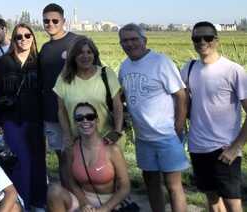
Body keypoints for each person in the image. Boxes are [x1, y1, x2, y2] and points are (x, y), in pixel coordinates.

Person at [118, 23, 188, 212]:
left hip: (166, 136)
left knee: (173, 185)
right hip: (143, 138)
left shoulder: (161, 62)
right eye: (125, 40)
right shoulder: (124, 67)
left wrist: (178, 128)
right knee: (151, 183)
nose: (130, 44)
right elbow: (123, 95)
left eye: (134, 39)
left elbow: (181, 95)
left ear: (144, 40)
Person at [182, 21, 247, 212]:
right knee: (212, 200)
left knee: (232, 202)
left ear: (216, 40)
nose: (202, 42)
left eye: (207, 38)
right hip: (197, 147)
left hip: (224, 149)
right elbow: (184, 103)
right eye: (196, 38)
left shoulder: (233, 70)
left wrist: (236, 147)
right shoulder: (189, 68)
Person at [0, 23, 47, 210]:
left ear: (33, 37)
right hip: (11, 120)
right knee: (17, 162)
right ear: (13, 40)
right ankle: (20, 203)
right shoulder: (4, 62)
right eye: (18, 37)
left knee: (37, 161)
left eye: (27, 35)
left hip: (35, 120)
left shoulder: (39, 62)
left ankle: (39, 202)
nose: (23, 40)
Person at [46, 102, 132, 212]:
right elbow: (70, 182)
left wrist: (103, 210)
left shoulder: (112, 149)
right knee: (54, 191)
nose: (85, 121)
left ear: (97, 120)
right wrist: (84, 204)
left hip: (109, 202)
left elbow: (125, 187)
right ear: (75, 122)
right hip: (83, 200)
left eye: (90, 117)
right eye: (79, 118)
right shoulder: (71, 150)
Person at [54, 36, 124, 148]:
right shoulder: (64, 78)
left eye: (89, 52)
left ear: (94, 55)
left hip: (107, 140)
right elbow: (61, 110)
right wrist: (67, 135)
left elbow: (117, 105)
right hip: (77, 142)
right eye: (80, 53)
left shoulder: (106, 74)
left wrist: (117, 132)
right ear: (73, 56)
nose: (85, 56)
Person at [39, 3, 79, 180]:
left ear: (64, 21)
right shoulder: (45, 49)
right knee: (62, 157)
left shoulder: (76, 42)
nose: (51, 24)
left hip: (75, 111)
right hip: (51, 111)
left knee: (79, 157)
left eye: (55, 20)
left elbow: (94, 72)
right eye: (46, 21)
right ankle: (67, 198)